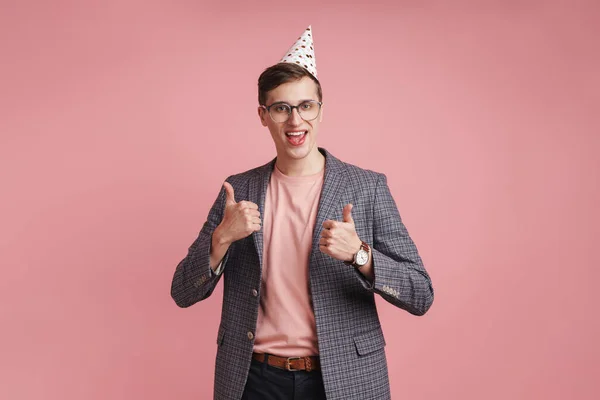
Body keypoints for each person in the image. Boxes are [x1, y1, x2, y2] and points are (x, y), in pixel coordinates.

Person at [171, 26, 434, 400]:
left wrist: (360, 255)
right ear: (263, 115)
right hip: (253, 379)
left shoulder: (366, 187)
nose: (295, 121)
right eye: (282, 108)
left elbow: (420, 294)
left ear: (321, 110)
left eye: (306, 106)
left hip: (343, 377)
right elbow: (182, 291)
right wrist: (221, 238)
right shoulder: (238, 190)